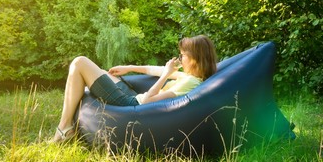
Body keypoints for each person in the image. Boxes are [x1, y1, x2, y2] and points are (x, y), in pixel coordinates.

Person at [52, 34, 217, 143]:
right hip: (133, 97)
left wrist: (166, 75)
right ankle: (67, 126)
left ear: (195, 59)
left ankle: (64, 128)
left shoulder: (190, 83)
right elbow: (152, 70)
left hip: (130, 104)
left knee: (80, 62)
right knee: (101, 72)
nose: (180, 59)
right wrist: (128, 67)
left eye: (182, 55)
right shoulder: (192, 77)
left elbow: (148, 102)